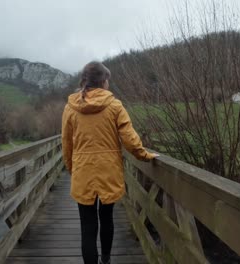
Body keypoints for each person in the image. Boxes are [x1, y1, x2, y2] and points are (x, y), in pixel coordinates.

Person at [61, 61, 158, 264]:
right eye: (107, 80)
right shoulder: (115, 106)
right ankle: (106, 259)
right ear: (103, 81)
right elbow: (130, 140)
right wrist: (144, 155)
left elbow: (66, 144)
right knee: (107, 219)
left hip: (83, 173)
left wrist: (72, 169)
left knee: (87, 227)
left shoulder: (70, 108)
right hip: (109, 172)